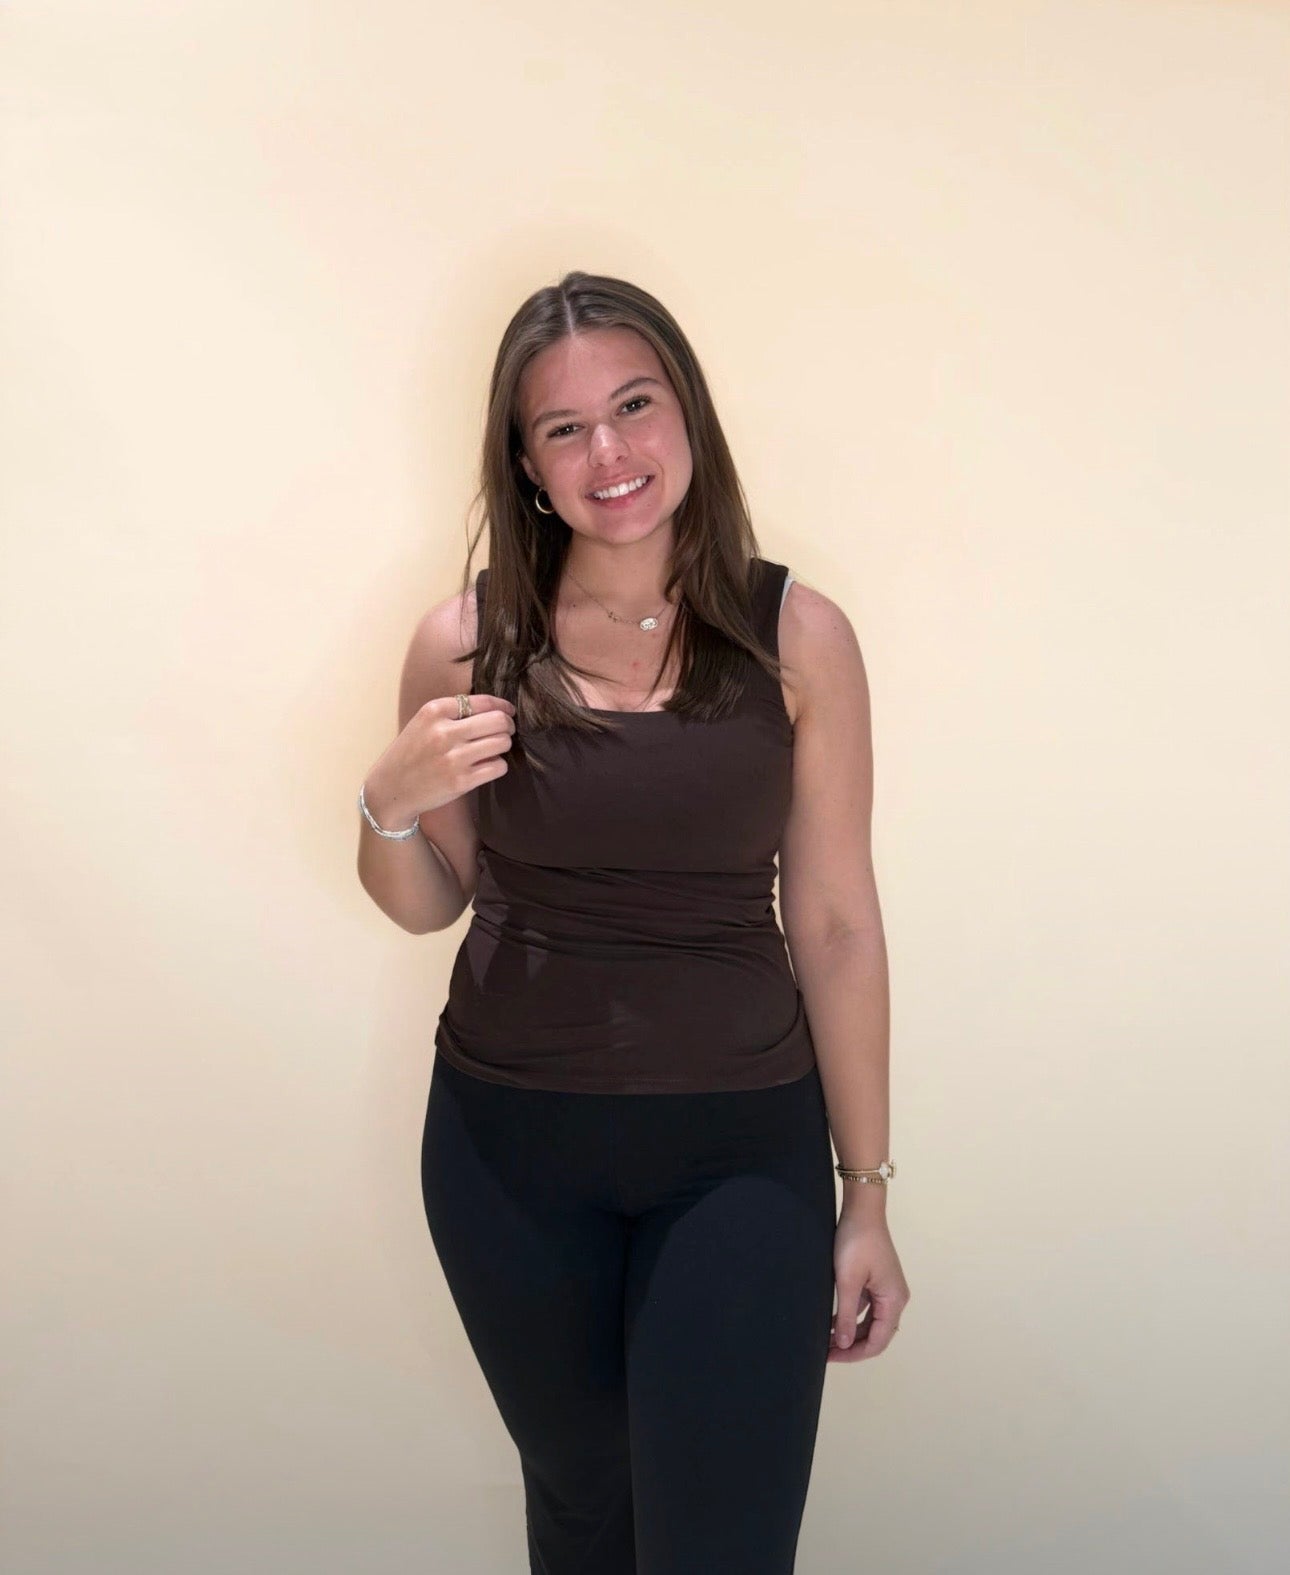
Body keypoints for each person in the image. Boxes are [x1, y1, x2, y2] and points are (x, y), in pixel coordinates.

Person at [356, 270, 910, 1574]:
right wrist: (383, 804)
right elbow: (431, 900)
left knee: (718, 1544)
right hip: (505, 1154)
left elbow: (833, 922)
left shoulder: (795, 637)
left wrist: (866, 1193)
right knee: (586, 1516)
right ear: (526, 464)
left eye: (632, 405)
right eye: (563, 428)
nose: (608, 453)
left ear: (686, 416)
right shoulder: (466, 643)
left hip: (737, 1156)